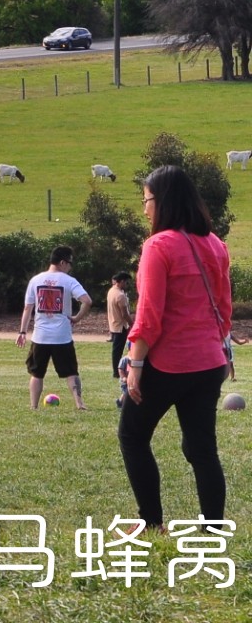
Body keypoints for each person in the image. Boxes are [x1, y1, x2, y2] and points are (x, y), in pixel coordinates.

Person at [120, 165, 233, 529]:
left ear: (163, 201)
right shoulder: (216, 244)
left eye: (147, 199)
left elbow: (149, 314)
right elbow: (225, 308)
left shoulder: (159, 245)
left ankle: (152, 523)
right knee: (202, 450)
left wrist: (134, 365)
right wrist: (220, 348)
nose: (144, 208)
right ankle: (213, 528)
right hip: (209, 362)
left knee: (132, 436)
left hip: (168, 364)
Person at [16, 244, 91, 410]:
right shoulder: (69, 281)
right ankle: (80, 404)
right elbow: (87, 300)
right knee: (71, 371)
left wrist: (22, 332)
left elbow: (28, 308)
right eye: (70, 264)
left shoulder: (35, 280)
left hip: (40, 336)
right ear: (63, 263)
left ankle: (34, 406)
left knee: (37, 373)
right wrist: (76, 318)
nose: (70, 268)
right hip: (62, 336)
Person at [105, 272, 134, 391]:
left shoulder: (111, 291)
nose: (127, 285)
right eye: (126, 282)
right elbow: (124, 314)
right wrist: (132, 324)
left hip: (114, 324)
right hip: (120, 326)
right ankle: (116, 371)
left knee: (116, 350)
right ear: (121, 281)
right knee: (118, 350)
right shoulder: (120, 295)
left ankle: (115, 370)